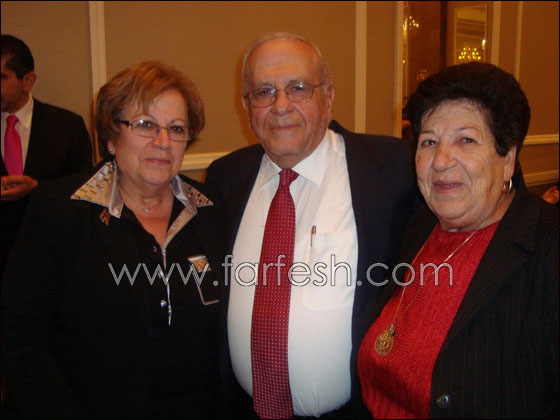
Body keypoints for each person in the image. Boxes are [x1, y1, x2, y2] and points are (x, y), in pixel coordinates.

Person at [205, 32, 418, 419]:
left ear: (328, 97)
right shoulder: (225, 178)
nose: (281, 106)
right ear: (246, 106)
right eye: (264, 91)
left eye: (298, 88)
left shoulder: (393, 171)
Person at [1, 60, 224, 418]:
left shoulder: (211, 211)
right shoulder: (59, 213)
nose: (163, 142)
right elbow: (21, 341)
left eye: (176, 128)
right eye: (145, 124)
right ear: (110, 138)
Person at [357, 62, 559, 418]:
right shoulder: (420, 226)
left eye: (466, 140)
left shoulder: (548, 250)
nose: (441, 160)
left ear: (508, 158)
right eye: (429, 142)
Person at [1, 34, 92, 276]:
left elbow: (87, 193)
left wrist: (38, 189)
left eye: (1, 77)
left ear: (28, 81)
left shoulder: (67, 127)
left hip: (51, 261)